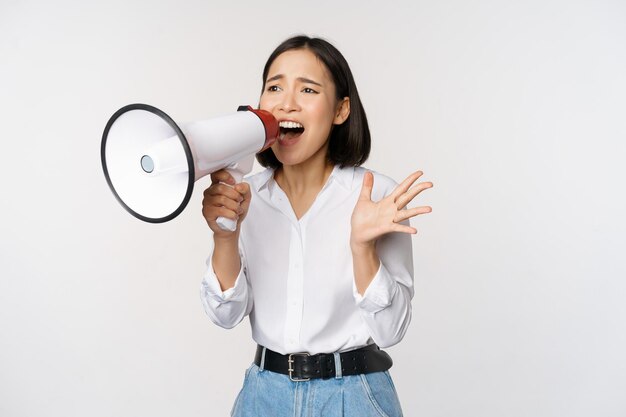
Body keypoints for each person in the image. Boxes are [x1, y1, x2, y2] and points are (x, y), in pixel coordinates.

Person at [200, 35, 433, 417]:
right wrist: (225, 236)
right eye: (274, 87)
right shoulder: (246, 197)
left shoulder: (375, 197)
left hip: (354, 396)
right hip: (263, 395)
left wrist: (362, 247)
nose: (287, 102)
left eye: (308, 89)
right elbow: (225, 315)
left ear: (341, 110)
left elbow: (391, 331)